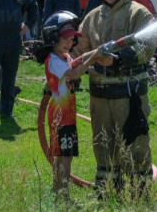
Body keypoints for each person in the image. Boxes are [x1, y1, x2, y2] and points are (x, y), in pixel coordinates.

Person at [74, 0, 156, 198]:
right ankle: (107, 193)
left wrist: (117, 60)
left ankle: (140, 194)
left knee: (135, 144)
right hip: (99, 98)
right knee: (102, 144)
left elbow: (147, 46)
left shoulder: (138, 13)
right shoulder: (91, 18)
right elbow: (80, 51)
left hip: (129, 97)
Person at [36, 12, 105, 199]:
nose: (69, 44)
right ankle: (62, 195)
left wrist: (92, 54)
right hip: (59, 116)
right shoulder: (53, 60)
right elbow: (73, 74)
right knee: (63, 157)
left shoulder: (63, 56)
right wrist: (93, 58)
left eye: (72, 39)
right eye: (65, 39)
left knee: (65, 155)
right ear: (53, 37)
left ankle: (59, 192)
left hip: (67, 115)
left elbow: (73, 63)